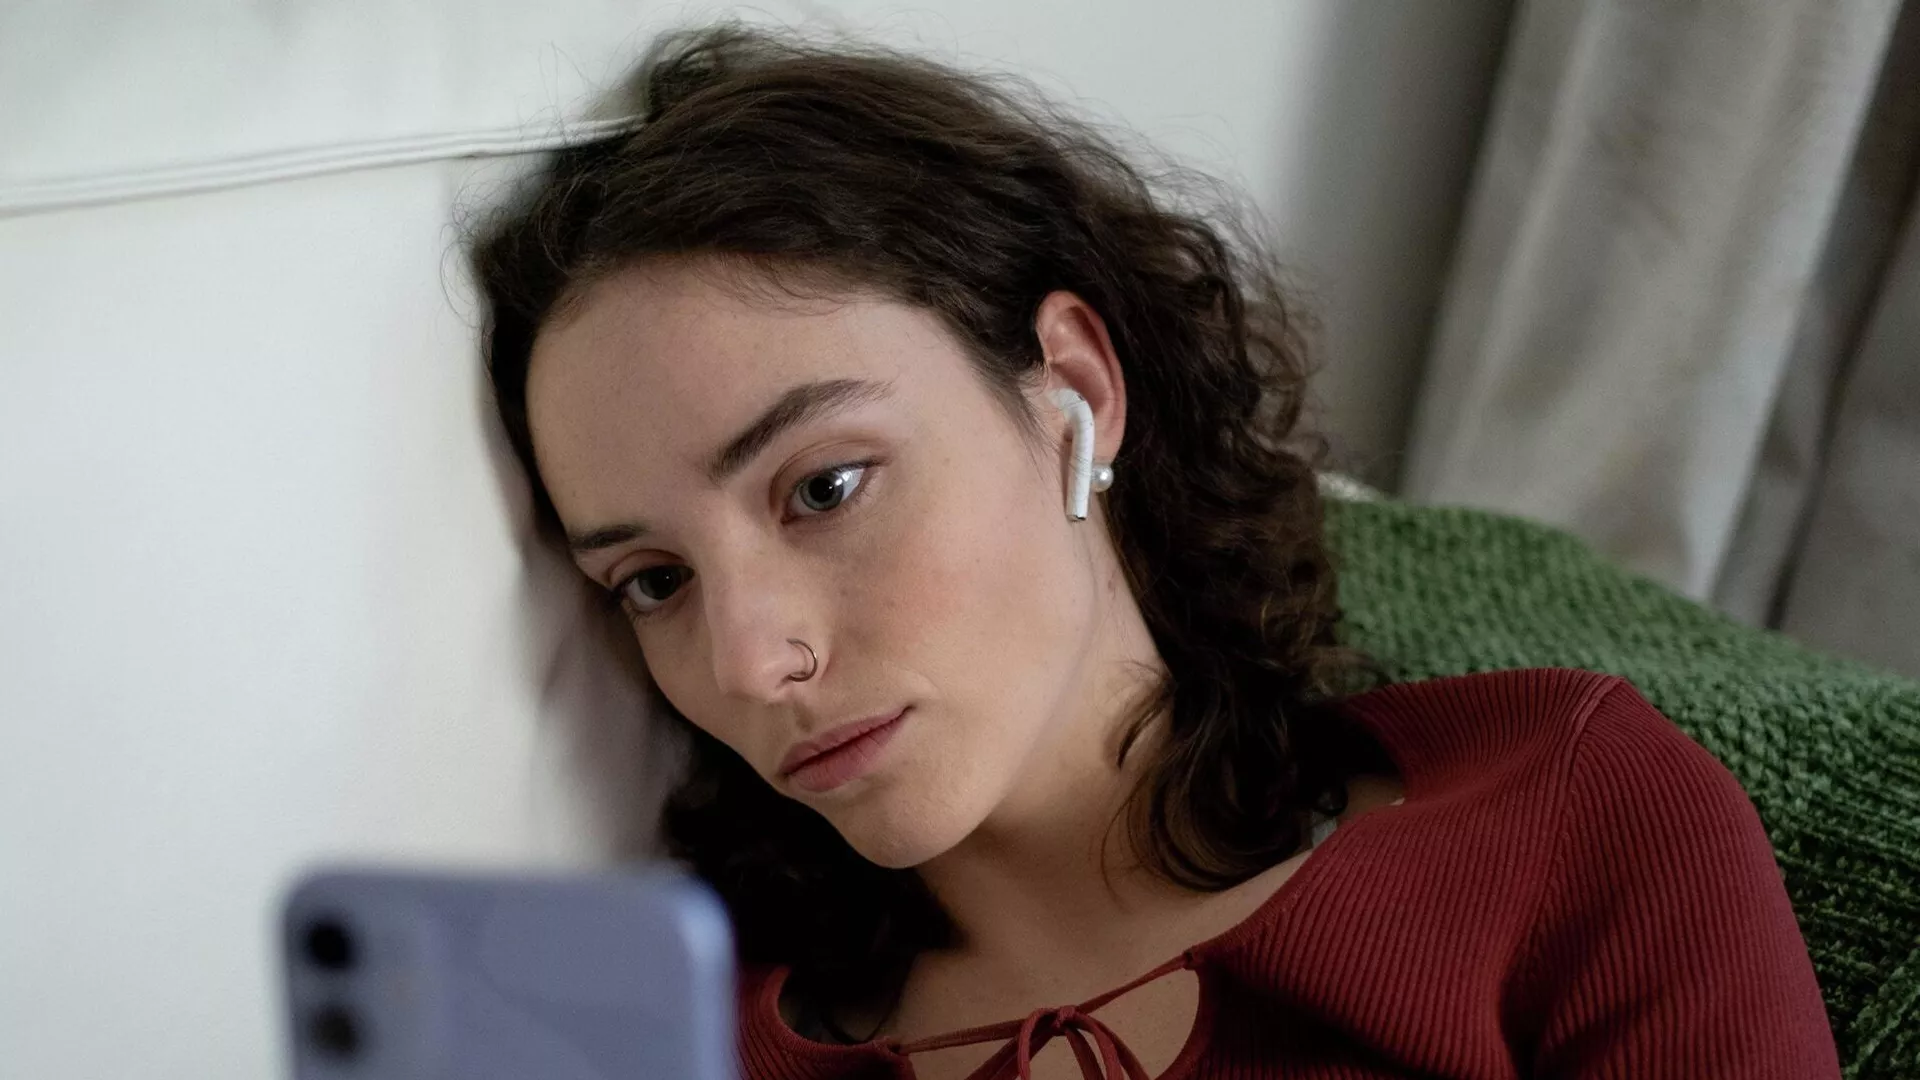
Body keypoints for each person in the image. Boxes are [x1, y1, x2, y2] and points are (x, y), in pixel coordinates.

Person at [471, 24, 1840, 1080]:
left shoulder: (1560, 823)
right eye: (654, 581)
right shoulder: (674, 1041)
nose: (748, 661)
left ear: (1073, 386)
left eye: (824, 487)